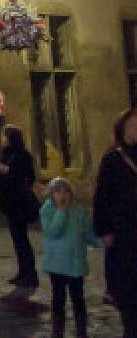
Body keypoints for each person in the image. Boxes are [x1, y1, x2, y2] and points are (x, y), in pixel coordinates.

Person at [93, 106, 137, 338]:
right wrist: (104, 229)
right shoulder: (113, 158)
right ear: (123, 129)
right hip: (124, 231)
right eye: (133, 125)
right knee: (129, 287)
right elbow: (102, 196)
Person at [41, 177, 100, 338]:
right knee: (58, 297)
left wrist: (101, 242)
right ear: (51, 194)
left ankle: (81, 330)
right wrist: (61, 211)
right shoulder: (47, 210)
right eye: (58, 191)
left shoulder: (80, 211)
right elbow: (53, 232)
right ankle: (57, 330)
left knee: (78, 298)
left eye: (66, 190)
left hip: (75, 264)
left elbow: (88, 234)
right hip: (57, 264)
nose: (62, 194)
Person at [0, 124, 39, 287]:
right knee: (17, 239)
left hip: (19, 202)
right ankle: (22, 271)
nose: (2, 140)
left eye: (4, 137)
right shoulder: (6, 154)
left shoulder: (22, 155)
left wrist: (8, 171)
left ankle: (30, 273)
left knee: (22, 239)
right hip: (9, 203)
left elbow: (28, 176)